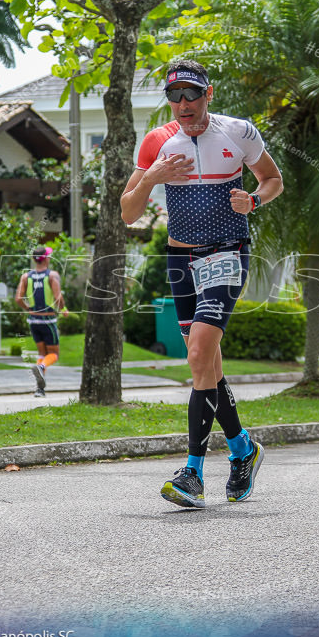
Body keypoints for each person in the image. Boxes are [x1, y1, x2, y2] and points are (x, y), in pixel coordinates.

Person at [121, 59, 284, 507]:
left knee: (197, 353)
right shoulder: (157, 141)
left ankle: (192, 472)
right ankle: (243, 449)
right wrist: (153, 176)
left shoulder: (238, 132)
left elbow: (273, 179)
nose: (183, 104)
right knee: (206, 366)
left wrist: (252, 198)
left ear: (208, 94)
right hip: (180, 258)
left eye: (192, 94)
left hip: (227, 251)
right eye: (174, 96)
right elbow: (128, 212)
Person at [15, 246, 67, 397]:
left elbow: (18, 298)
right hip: (48, 319)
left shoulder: (26, 277)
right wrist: (63, 309)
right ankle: (42, 367)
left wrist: (29, 309)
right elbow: (58, 298)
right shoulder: (52, 275)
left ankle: (40, 389)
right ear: (46, 258)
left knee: (42, 353)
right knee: (54, 354)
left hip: (33, 320)